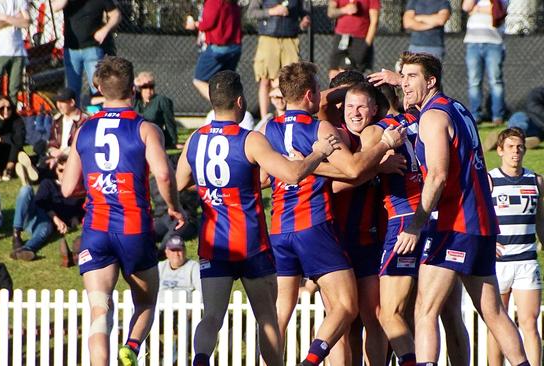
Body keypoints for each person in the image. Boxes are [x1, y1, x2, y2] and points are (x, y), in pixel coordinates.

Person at [175, 69, 339, 366]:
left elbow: (178, 182)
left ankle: (200, 360)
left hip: (213, 243)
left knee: (211, 316)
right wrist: (319, 152)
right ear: (240, 102)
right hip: (250, 242)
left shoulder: (195, 140)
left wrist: (211, 187)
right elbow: (292, 174)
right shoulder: (249, 139)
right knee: (266, 318)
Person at [393, 52, 530, 365]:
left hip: (454, 224)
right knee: (493, 312)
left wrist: (416, 224)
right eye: (402, 77)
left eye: (411, 77)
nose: (404, 83)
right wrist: (397, 78)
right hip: (481, 222)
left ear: (431, 81)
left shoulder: (431, 116)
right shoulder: (457, 107)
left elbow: (439, 175)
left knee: (425, 309)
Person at [266, 61, 403, 366]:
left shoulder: (373, 133)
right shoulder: (333, 135)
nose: (355, 112)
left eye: (362, 106)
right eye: (349, 105)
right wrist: (378, 163)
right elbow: (343, 182)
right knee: (341, 316)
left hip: (366, 240)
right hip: (328, 235)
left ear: (374, 109)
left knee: (373, 315)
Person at [60, 56, 185, 366]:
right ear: (132, 88)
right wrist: (173, 207)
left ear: (99, 87)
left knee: (99, 310)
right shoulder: (145, 128)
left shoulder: (84, 130)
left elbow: (66, 188)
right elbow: (165, 175)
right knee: (145, 302)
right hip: (133, 227)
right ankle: (130, 346)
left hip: (97, 228)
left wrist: (98, 180)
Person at [487, 127, 544, 366]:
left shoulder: (535, 181)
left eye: (519, 147)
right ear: (500, 151)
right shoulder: (489, 180)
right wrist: (487, 243)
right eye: (510, 147)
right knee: (497, 323)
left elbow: (542, 221)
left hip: (527, 262)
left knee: (530, 323)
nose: (515, 152)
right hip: (498, 263)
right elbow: (477, 216)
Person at [10, 156, 85, 261]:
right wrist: (56, 218)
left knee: (46, 227)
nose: (63, 174)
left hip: (45, 224)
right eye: (60, 170)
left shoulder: (78, 193)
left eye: (67, 170)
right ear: (56, 171)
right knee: (26, 189)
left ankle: (26, 249)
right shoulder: (48, 183)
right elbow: (40, 202)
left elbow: (78, 216)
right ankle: (16, 235)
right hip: (34, 215)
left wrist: (67, 226)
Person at [247, 0, 311, 123]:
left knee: (292, 79)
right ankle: (264, 119)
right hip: (268, 38)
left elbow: (304, 13)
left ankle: (290, 116)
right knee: (265, 80)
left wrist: (305, 20)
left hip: (290, 39)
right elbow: (251, 13)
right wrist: (272, 11)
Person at [51, 0, 121, 103]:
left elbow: (116, 15)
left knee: (97, 86)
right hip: (71, 49)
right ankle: (77, 116)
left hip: (92, 48)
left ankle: (99, 114)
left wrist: (105, 30)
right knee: (72, 90)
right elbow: (55, 7)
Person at [185, 0, 242, 104]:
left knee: (199, 80)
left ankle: (223, 105)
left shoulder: (214, 1)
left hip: (219, 48)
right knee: (224, 83)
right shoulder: (232, 2)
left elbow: (208, 23)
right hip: (235, 48)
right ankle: (232, 107)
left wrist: (195, 24)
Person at [462, 0, 508, 124]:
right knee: (474, 81)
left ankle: (497, 115)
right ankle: (475, 115)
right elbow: (466, 7)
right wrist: (482, 8)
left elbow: (498, 11)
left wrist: (477, 10)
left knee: (495, 80)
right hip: (473, 43)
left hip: (494, 43)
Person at [0, 0, 29, 120]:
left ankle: (10, 127)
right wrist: (15, 19)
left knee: (13, 92)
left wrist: (4, 17)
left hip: (17, 52)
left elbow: (26, 22)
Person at [327, 0, 380, 79]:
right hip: (341, 37)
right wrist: (345, 10)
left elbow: (374, 22)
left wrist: (366, 45)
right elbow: (330, 13)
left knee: (356, 75)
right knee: (334, 73)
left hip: (360, 39)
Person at [0, 96, 25, 183]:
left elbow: (19, 140)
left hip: (12, 156)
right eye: (2, 108)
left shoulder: (17, 120)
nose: (6, 111)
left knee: (14, 144)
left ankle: (8, 170)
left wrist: (1, 138)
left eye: (8, 108)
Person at [133, 71, 177, 149]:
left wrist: (173, 142)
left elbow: (170, 123)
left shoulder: (162, 101)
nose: (148, 90)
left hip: (154, 136)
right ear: (140, 88)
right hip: (136, 137)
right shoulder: (135, 100)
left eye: (151, 86)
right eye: (145, 87)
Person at [157, 236, 201, 304]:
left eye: (179, 250)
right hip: (160, 310)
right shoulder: (160, 266)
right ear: (166, 252)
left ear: (185, 251)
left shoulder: (193, 267)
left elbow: (202, 290)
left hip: (184, 311)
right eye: (173, 250)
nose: (176, 254)